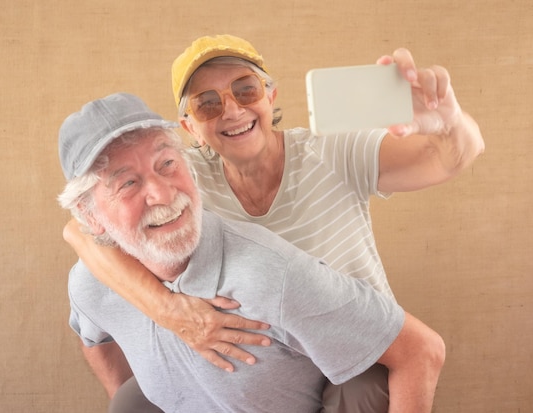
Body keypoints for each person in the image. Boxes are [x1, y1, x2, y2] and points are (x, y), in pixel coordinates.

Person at [62, 35, 485, 412]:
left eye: (245, 89)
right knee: (136, 399)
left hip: (353, 342)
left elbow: (449, 158)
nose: (231, 110)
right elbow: (82, 230)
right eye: (207, 103)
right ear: (189, 127)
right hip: (267, 356)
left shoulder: (329, 152)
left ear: (270, 95)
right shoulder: (181, 174)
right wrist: (169, 311)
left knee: (364, 387)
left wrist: (447, 123)